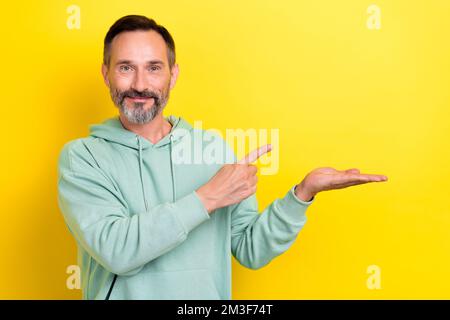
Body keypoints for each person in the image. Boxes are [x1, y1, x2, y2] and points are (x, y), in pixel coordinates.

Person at [57, 15, 388, 300]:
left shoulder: (212, 150)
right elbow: (117, 250)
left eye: (154, 68)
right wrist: (208, 196)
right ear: (106, 74)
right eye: (126, 67)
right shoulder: (83, 158)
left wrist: (302, 194)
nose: (140, 84)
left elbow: (250, 248)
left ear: (172, 75)